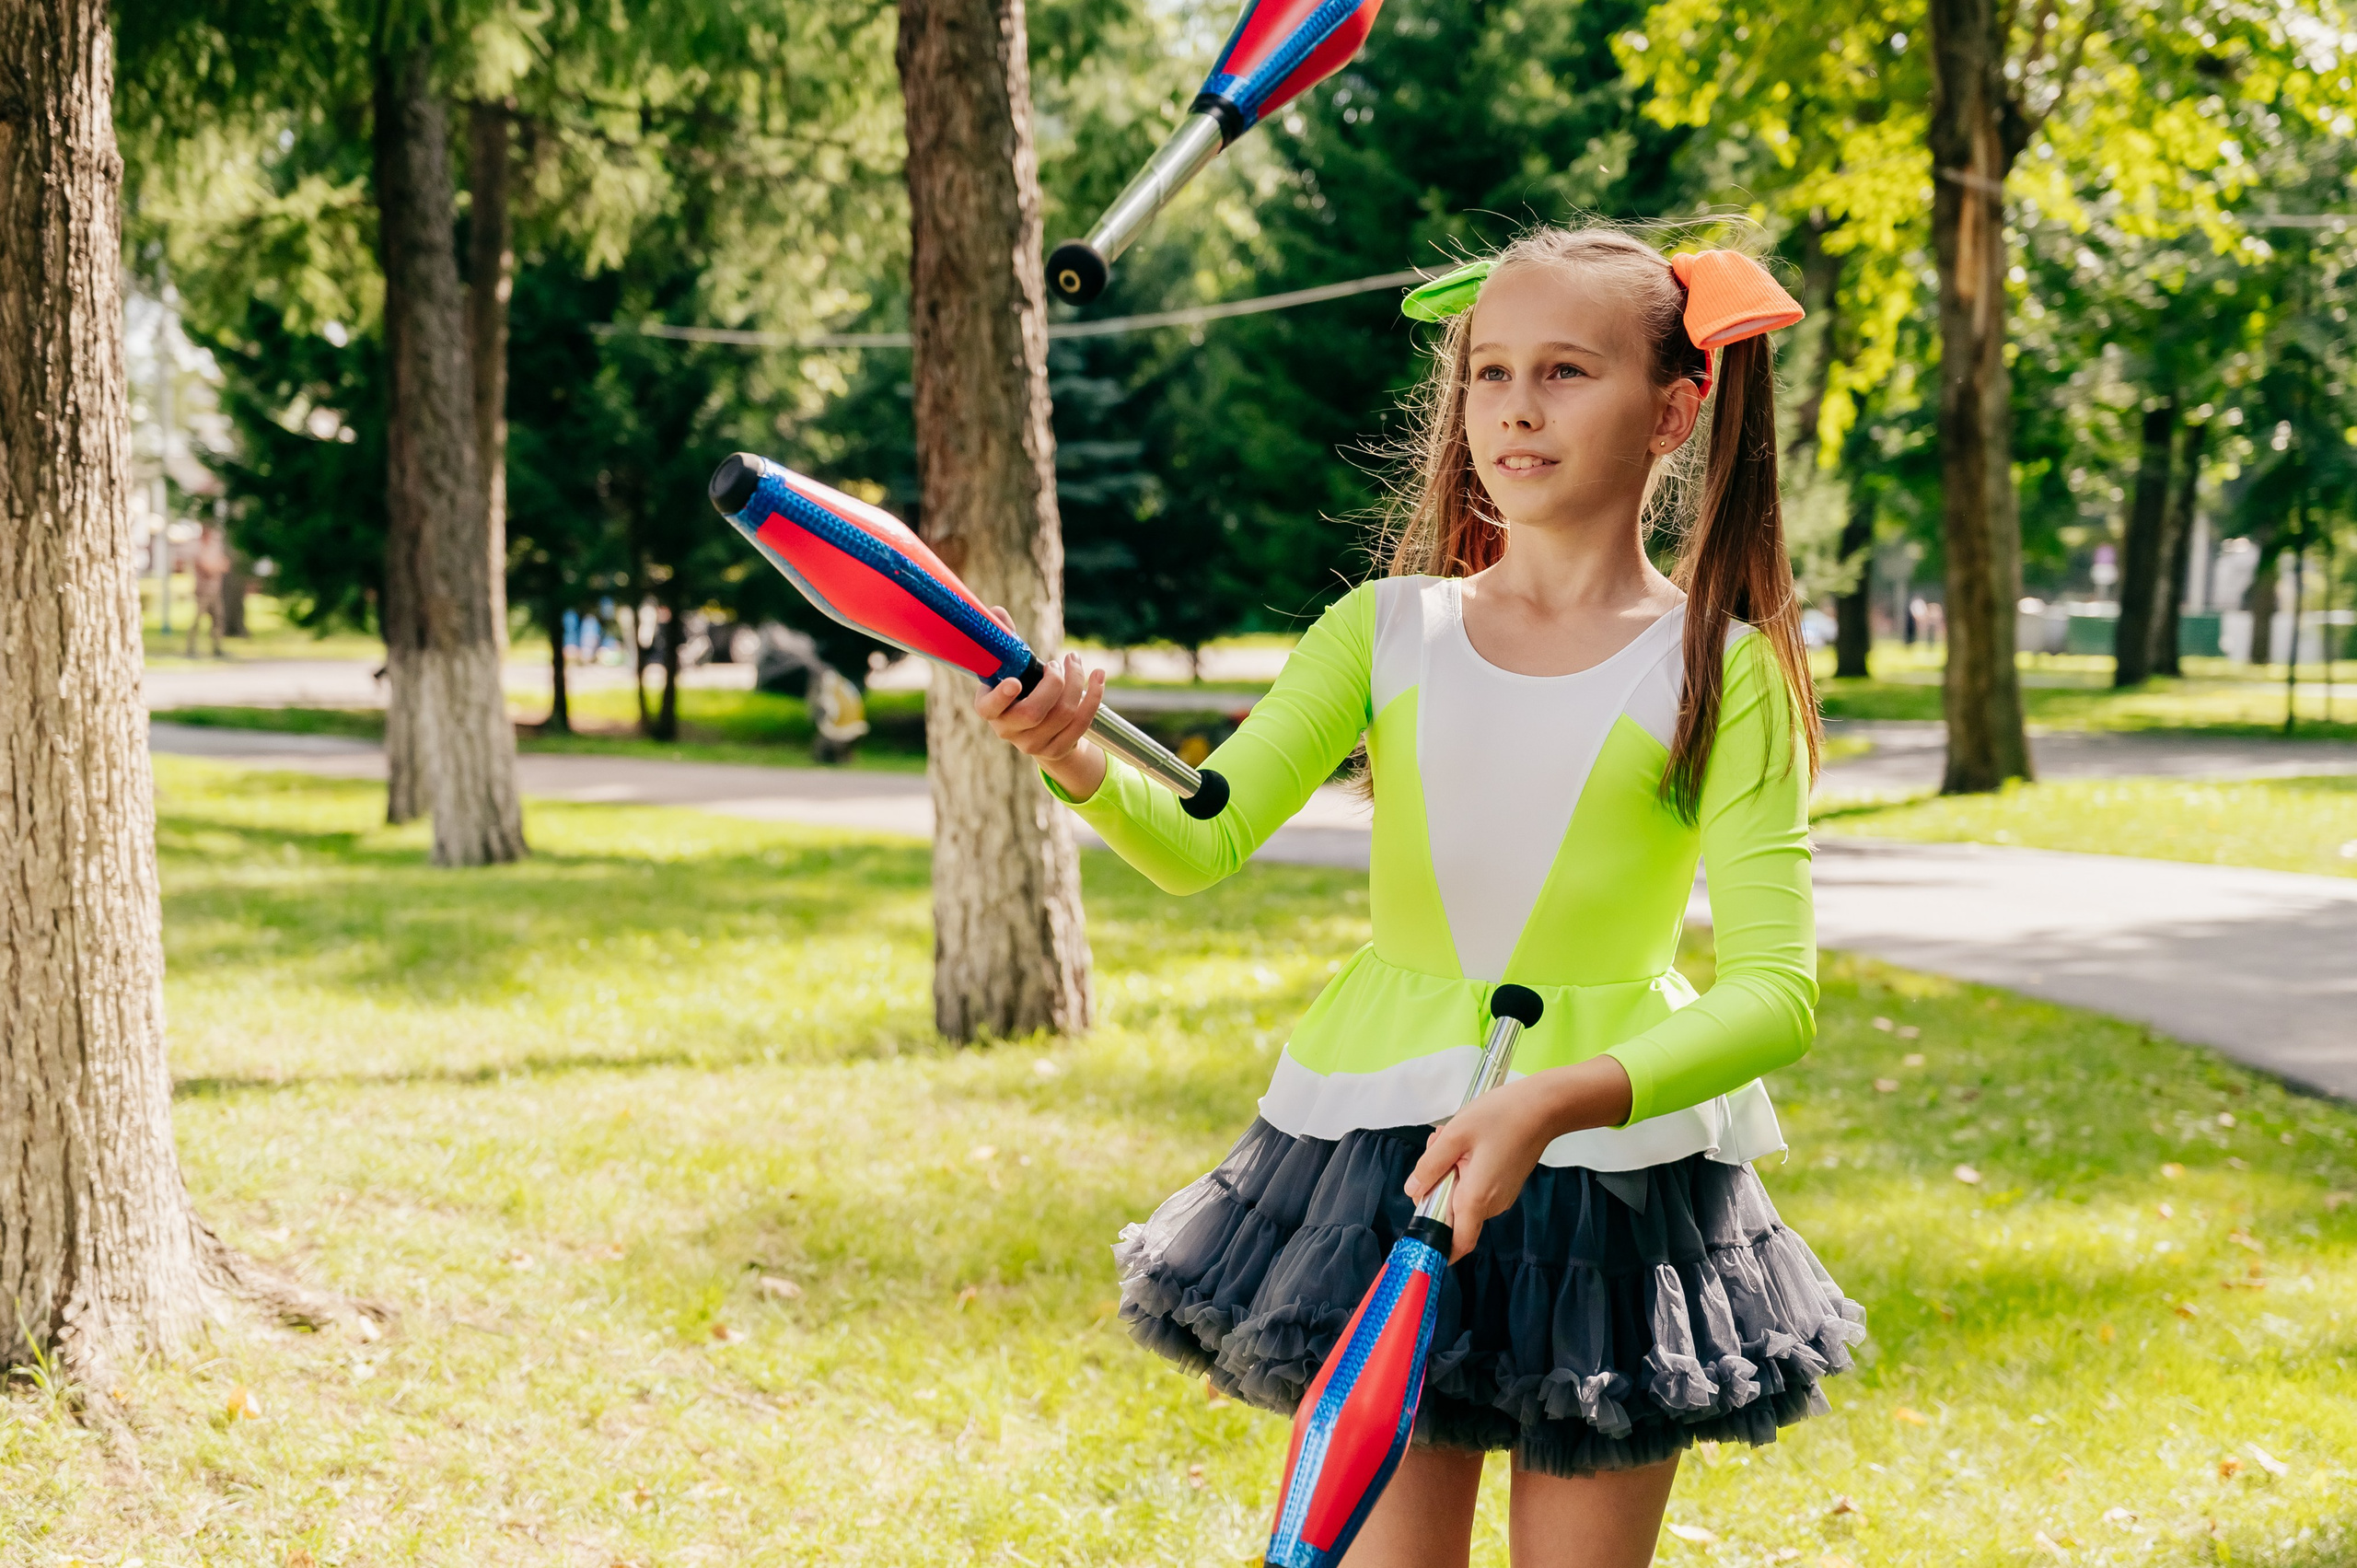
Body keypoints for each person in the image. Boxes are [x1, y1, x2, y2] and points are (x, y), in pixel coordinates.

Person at [978, 226, 1863, 1568]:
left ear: (1675, 410)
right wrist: (1074, 757)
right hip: (1377, 1156)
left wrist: (1550, 1099)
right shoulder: (1384, 629)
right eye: (1490, 371)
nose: (1514, 405)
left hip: (1611, 1189)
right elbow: (1201, 843)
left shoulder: (1722, 674)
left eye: (1566, 371)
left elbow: (1776, 995)